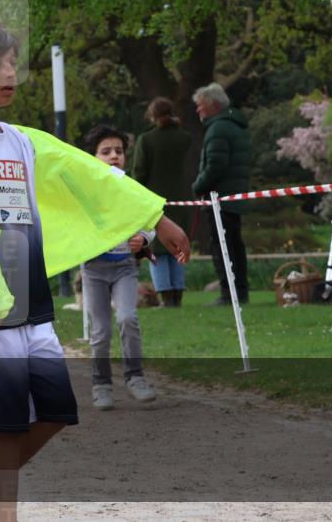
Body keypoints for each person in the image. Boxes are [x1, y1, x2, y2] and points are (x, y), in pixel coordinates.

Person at [0, 16, 191, 522]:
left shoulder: (23, 141)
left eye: (12, 62)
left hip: (31, 301)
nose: (8, 71)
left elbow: (91, 174)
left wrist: (154, 216)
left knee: (56, 412)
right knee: (7, 426)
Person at [81, 124, 158, 411]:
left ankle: (135, 377)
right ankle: (101, 385)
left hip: (125, 267)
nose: (114, 156)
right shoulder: (85, 193)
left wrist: (144, 238)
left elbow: (151, 222)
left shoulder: (132, 189)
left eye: (119, 151)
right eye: (106, 152)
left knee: (128, 318)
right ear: (92, 157)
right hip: (94, 270)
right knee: (100, 332)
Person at [191, 84, 252, 305]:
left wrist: (198, 185)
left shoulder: (218, 129)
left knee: (223, 246)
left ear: (213, 106)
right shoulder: (236, 126)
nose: (197, 111)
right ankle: (240, 291)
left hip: (220, 198)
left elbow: (216, 165)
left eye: (200, 106)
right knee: (235, 244)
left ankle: (229, 292)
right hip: (233, 196)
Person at [132, 97, 194, 307]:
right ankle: (178, 295)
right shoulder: (186, 138)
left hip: (155, 203)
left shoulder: (147, 140)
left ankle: (166, 298)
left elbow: (139, 173)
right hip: (183, 200)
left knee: (157, 249)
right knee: (178, 245)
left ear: (152, 115)